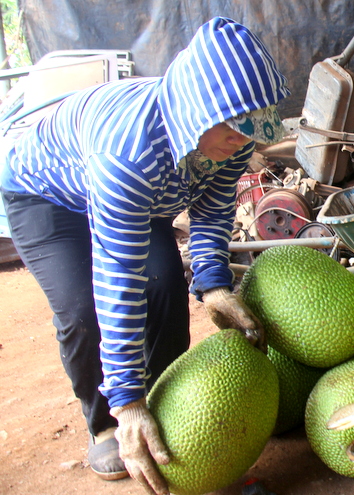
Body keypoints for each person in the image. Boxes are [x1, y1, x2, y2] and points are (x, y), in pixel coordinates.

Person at [0, 17, 289, 495]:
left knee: (166, 285)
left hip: (152, 191)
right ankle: (107, 424)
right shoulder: (130, 153)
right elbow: (117, 276)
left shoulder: (229, 142)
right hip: (47, 194)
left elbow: (212, 211)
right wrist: (127, 403)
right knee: (81, 309)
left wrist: (214, 284)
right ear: (197, 112)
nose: (244, 141)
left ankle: (165, 404)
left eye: (252, 131)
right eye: (234, 129)